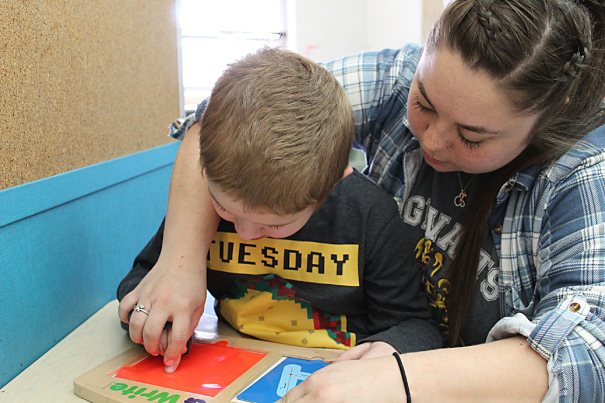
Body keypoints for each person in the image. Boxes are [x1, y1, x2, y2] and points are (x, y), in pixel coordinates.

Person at [119, 0, 605, 400]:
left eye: (473, 137)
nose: (431, 143)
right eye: (425, 104)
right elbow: (224, 114)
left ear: (546, 117)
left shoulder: (580, 176)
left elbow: (588, 353)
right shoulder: (394, 76)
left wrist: (398, 379)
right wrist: (181, 265)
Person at [118, 47, 442, 366]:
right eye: (225, 209)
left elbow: (415, 326)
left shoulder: (370, 215)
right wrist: (153, 318)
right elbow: (145, 276)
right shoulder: (208, 204)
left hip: (335, 374)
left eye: (273, 225)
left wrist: (387, 353)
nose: (244, 233)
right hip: (229, 366)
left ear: (332, 184)